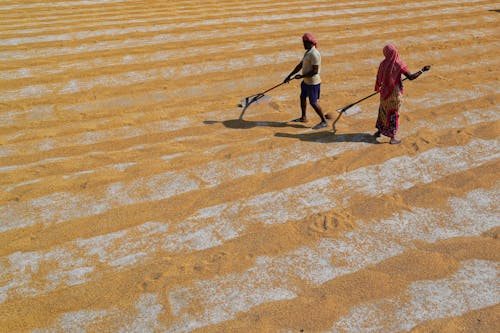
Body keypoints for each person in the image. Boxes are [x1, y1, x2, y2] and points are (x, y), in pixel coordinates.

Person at [373, 44, 429, 144]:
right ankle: (392, 138)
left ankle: (379, 131)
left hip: (384, 92)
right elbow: (411, 77)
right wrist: (422, 70)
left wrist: (379, 87)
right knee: (393, 114)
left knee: (383, 110)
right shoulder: (399, 63)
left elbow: (379, 76)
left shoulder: (383, 63)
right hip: (394, 93)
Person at [284, 33, 328, 130]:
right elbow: (300, 65)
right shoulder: (308, 52)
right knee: (302, 97)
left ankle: (324, 121)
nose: (303, 45)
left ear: (309, 42)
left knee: (313, 102)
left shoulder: (314, 54)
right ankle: (303, 117)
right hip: (306, 81)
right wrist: (289, 76)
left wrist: (302, 76)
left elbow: (315, 71)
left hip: (313, 83)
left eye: (304, 43)